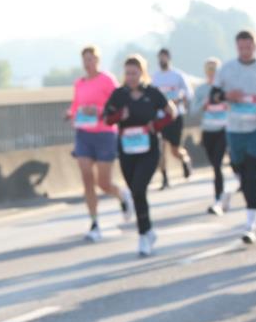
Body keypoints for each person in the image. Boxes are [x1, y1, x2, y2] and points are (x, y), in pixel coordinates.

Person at [210, 30, 256, 244]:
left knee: (251, 173)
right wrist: (226, 96)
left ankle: (251, 221)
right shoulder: (226, 69)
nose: (245, 51)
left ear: (255, 46)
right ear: (236, 47)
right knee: (239, 168)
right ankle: (252, 210)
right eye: (241, 47)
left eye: (249, 47)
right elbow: (213, 95)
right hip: (235, 127)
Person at [103, 54, 177, 256]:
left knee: (138, 187)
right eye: (127, 73)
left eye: (135, 73)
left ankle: (143, 235)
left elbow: (172, 112)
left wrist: (156, 125)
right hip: (127, 150)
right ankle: (149, 230)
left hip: (149, 149)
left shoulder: (152, 93)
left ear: (142, 73)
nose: (131, 77)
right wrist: (120, 116)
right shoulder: (119, 95)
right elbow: (106, 118)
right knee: (135, 191)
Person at [65, 45, 134, 240]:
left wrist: (98, 110)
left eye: (92, 59)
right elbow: (76, 106)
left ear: (98, 60)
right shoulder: (79, 83)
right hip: (84, 134)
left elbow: (118, 103)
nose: (89, 63)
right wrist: (71, 114)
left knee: (103, 183)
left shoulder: (107, 80)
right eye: (85, 59)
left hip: (104, 134)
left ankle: (121, 195)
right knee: (87, 177)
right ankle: (94, 223)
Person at [192, 57, 232, 215]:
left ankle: (218, 199)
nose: (212, 74)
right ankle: (223, 195)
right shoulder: (201, 90)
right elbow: (193, 111)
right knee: (214, 164)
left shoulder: (226, 88)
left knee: (217, 164)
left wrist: (228, 104)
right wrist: (205, 103)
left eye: (215, 71)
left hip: (225, 128)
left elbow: (237, 105)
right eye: (209, 71)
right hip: (208, 130)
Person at [153, 48, 194, 189]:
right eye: (160, 58)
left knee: (174, 150)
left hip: (175, 116)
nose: (162, 60)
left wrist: (180, 99)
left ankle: (185, 159)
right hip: (159, 117)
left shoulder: (178, 75)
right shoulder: (155, 77)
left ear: (169, 58)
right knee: (161, 148)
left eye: (164, 57)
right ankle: (164, 178)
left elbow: (188, 93)